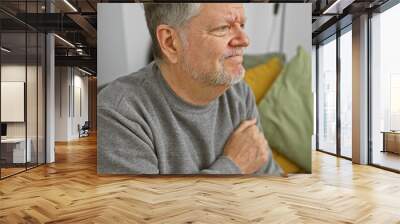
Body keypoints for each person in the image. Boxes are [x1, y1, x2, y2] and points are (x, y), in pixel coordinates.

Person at [97, 3, 283, 175]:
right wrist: (233, 167)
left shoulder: (239, 94)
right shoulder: (118, 113)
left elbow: (271, 182)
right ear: (171, 43)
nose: (244, 40)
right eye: (223, 28)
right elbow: (147, 210)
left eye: (241, 25)